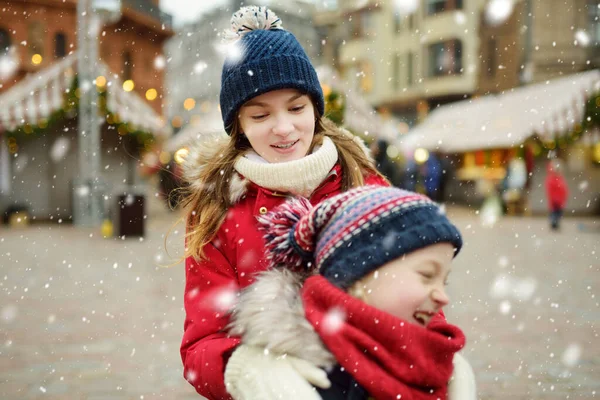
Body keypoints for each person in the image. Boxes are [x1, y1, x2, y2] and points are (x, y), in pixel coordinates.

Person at [179, 6, 388, 399]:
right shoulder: (217, 213)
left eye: (296, 108)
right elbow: (199, 350)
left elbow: (419, 300)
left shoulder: (366, 186)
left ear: (315, 109)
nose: (283, 128)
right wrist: (249, 370)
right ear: (239, 126)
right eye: (259, 115)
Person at [227, 186, 477, 400]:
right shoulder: (313, 375)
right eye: (426, 275)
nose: (443, 297)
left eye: (444, 281)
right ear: (360, 275)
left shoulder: (431, 362)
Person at [545, 159, 568, 230]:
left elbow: (564, 189)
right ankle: (553, 223)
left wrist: (564, 197)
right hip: (554, 200)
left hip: (560, 200)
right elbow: (550, 190)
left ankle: (556, 223)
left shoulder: (560, 178)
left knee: (558, 212)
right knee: (554, 212)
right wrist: (554, 198)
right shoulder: (551, 179)